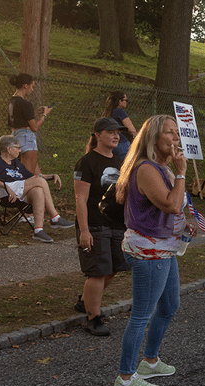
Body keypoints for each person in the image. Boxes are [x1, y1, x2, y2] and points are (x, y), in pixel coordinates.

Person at [111, 114, 196, 386]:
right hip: (149, 251)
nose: (175, 138)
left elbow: (175, 208)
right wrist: (182, 172)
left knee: (170, 305)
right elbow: (171, 205)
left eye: (176, 133)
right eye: (169, 133)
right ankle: (125, 378)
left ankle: (149, 361)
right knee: (141, 315)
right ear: (154, 138)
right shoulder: (146, 168)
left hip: (164, 248)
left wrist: (186, 224)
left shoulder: (162, 168)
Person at [73, 118, 131, 336]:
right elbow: (80, 199)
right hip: (95, 225)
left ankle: (85, 302)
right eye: (111, 132)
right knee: (98, 272)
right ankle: (93, 318)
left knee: (114, 268)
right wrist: (84, 230)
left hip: (117, 224)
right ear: (97, 135)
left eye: (118, 132)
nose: (116, 136)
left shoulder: (120, 161)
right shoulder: (87, 162)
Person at [0, 135, 73, 243]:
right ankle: (55, 217)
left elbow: (32, 177)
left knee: (38, 190)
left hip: (19, 189)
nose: (20, 150)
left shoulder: (15, 162)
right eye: (17, 147)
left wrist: (51, 175)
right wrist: (8, 188)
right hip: (4, 191)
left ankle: (38, 230)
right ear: (9, 149)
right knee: (40, 182)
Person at [8, 73, 52, 175]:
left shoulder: (12, 101)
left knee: (37, 177)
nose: (32, 89)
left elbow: (20, 121)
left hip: (15, 137)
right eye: (32, 86)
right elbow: (34, 127)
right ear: (25, 86)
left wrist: (35, 113)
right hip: (27, 139)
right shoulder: (25, 103)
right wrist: (45, 115)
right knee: (26, 178)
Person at [102, 91, 138, 158]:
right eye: (125, 100)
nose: (126, 102)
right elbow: (131, 129)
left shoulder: (108, 113)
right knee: (129, 163)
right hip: (121, 142)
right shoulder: (120, 111)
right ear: (119, 101)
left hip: (109, 142)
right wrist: (137, 139)